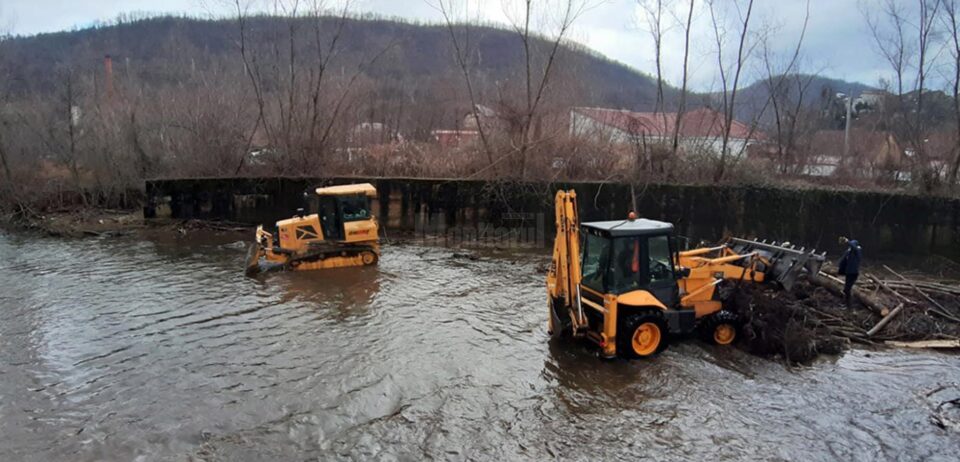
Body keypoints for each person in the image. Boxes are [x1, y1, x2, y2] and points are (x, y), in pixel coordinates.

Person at [837, 237, 862, 307]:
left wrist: (848, 241)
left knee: (847, 289)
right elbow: (843, 259)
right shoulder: (849, 252)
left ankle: (849, 305)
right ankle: (846, 304)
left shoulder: (857, 251)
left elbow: (854, 247)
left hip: (853, 273)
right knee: (846, 289)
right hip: (848, 272)